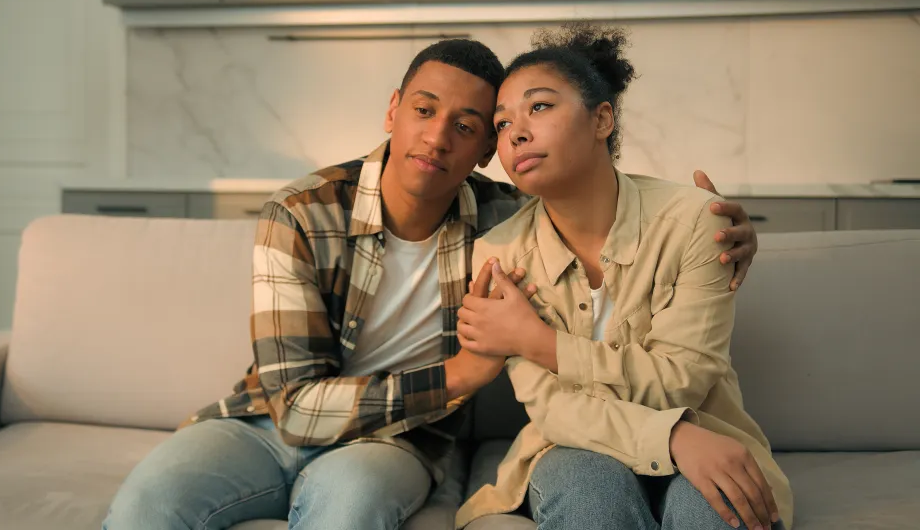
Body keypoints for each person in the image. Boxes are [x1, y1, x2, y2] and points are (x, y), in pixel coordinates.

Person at [103, 37, 761, 530]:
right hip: (263, 421)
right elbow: (296, 406)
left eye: (471, 127)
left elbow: (590, 194)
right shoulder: (301, 213)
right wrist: (457, 378)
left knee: (350, 505)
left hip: (398, 440)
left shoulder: (506, 221)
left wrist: (732, 235)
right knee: (145, 503)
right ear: (393, 111)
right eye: (423, 109)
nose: (438, 136)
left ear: (484, 153)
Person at [454, 24, 792, 530]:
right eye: (501, 124)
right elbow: (555, 410)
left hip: (707, 433)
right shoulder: (499, 253)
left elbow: (683, 382)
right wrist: (672, 438)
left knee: (713, 512)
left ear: (602, 118)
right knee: (591, 496)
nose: (516, 132)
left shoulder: (696, 221)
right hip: (574, 447)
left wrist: (540, 342)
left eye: (540, 107)